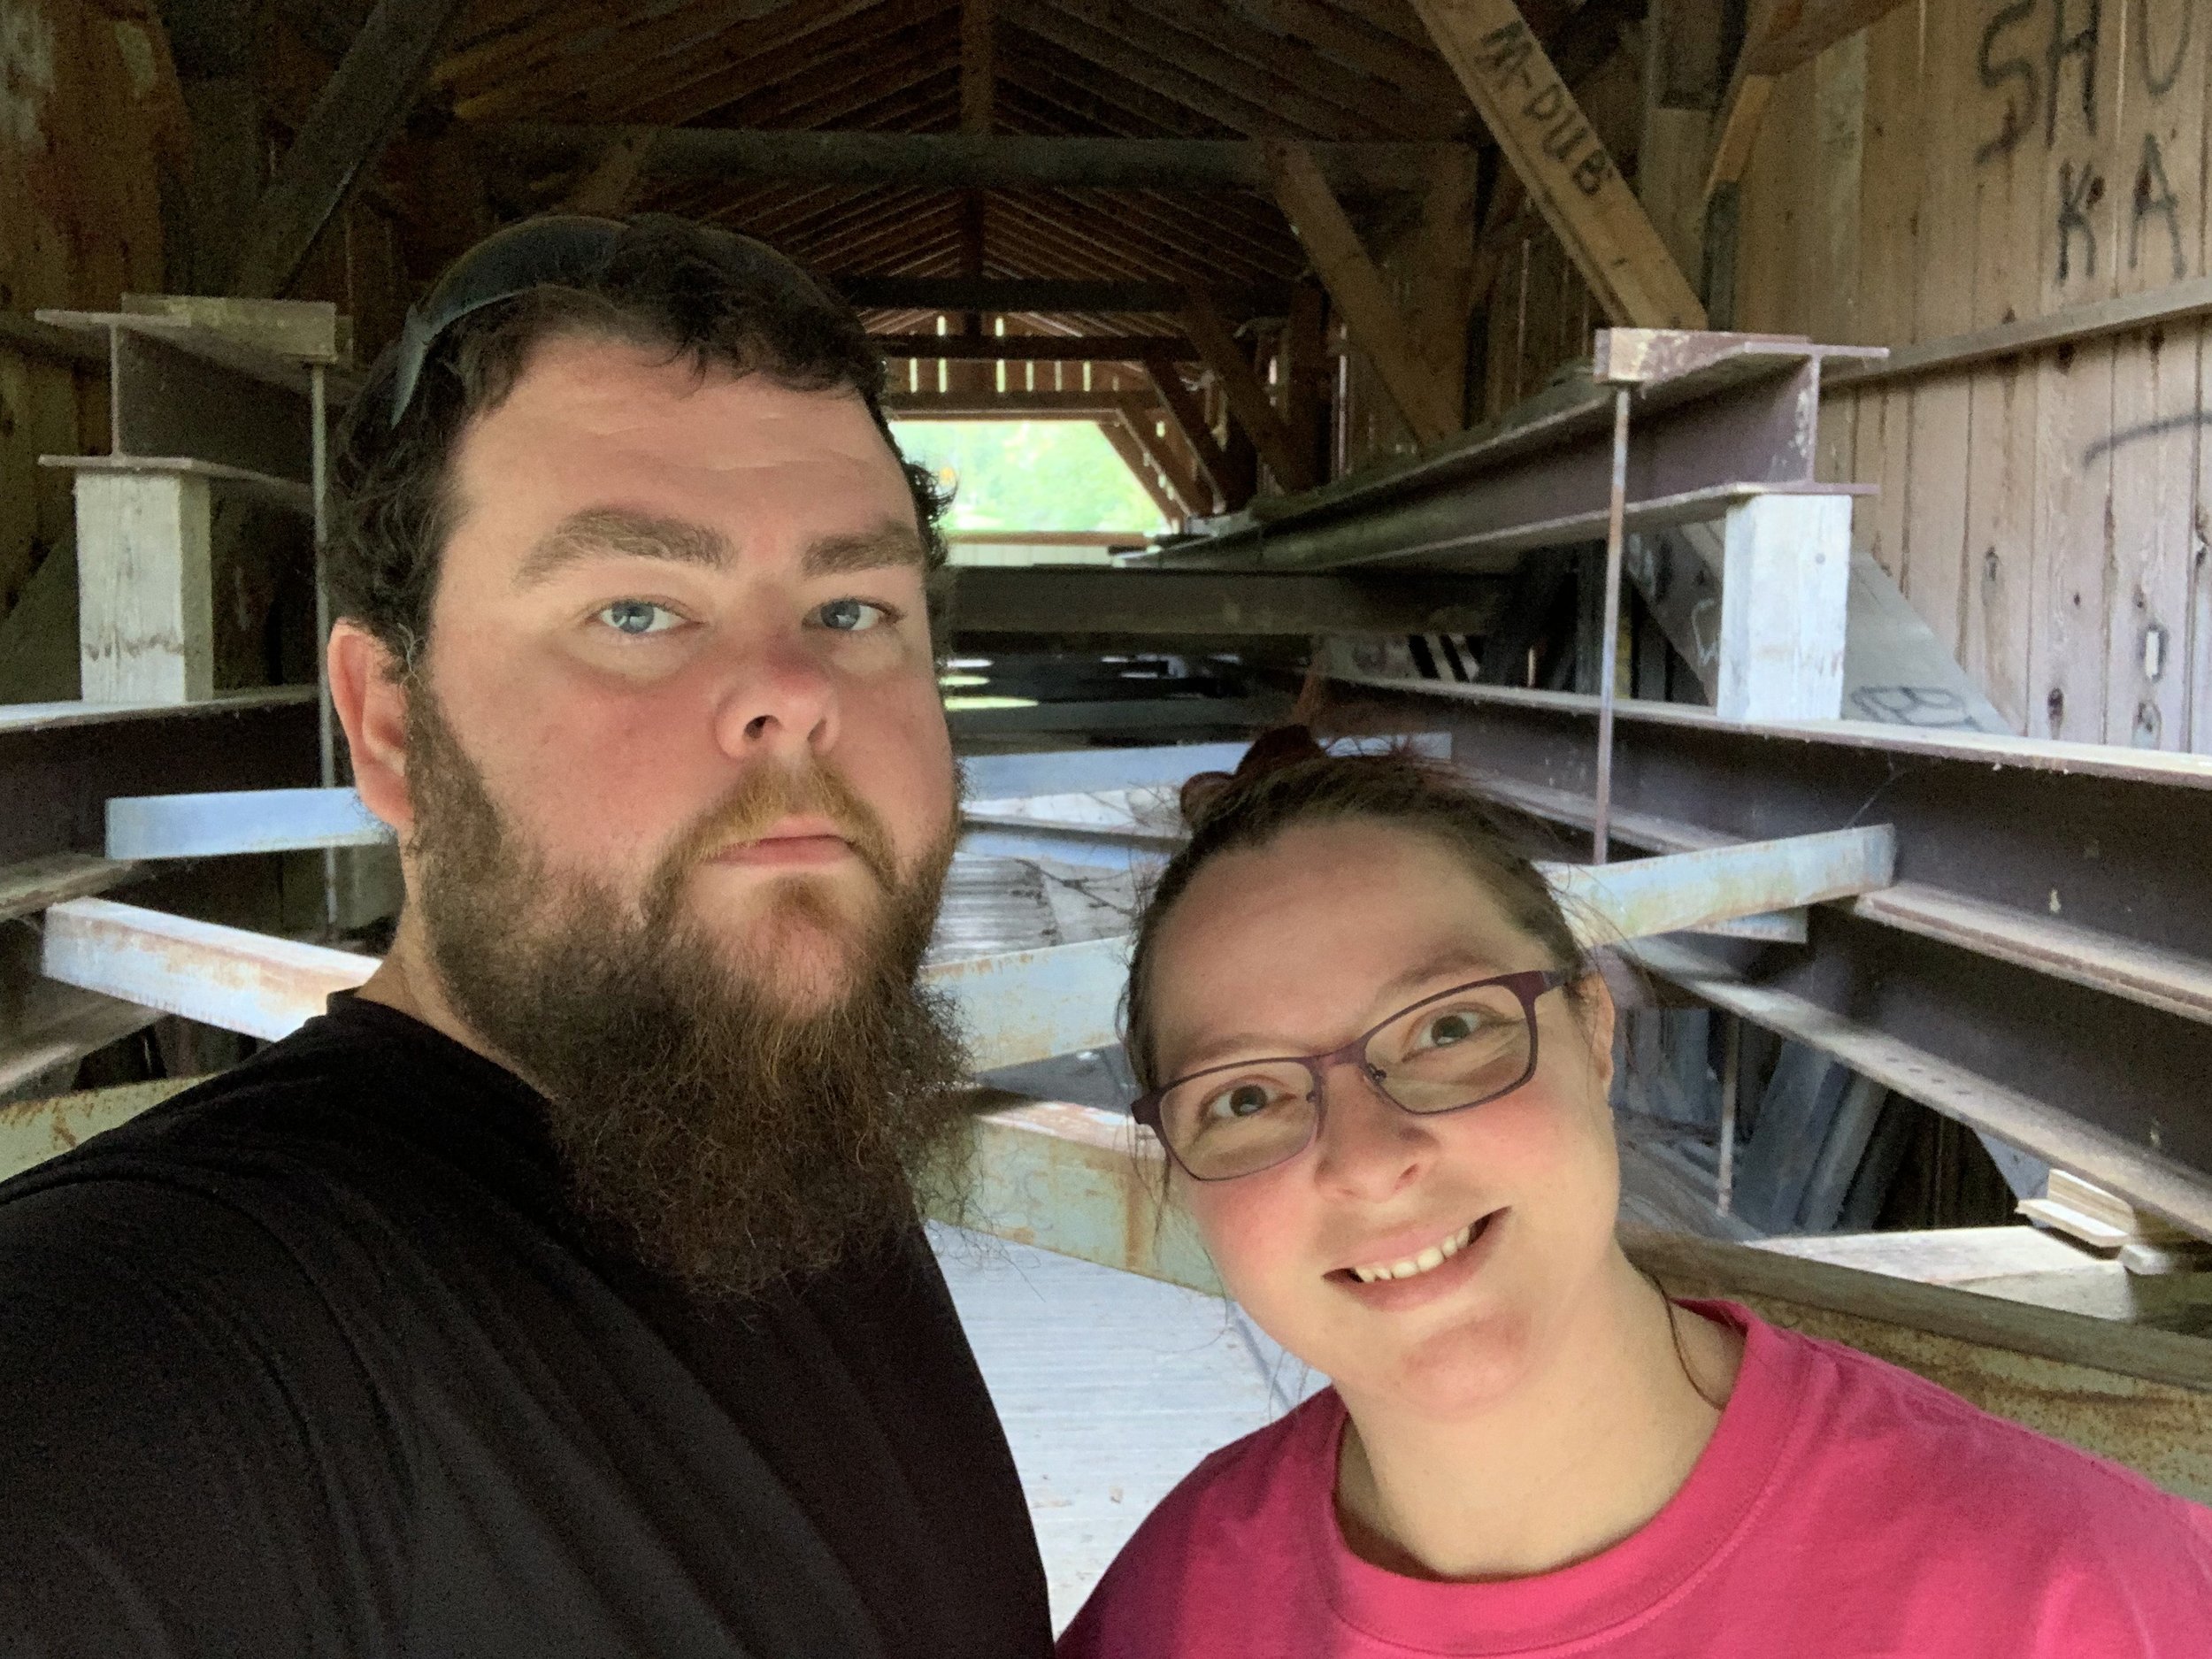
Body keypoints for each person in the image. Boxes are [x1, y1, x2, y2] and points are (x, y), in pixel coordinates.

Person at [0, 216, 1051, 1657]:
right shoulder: (164, 1346)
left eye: (853, 604)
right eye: (637, 608)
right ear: (389, 727)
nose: (795, 691)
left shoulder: (773, 1133)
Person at [1060, 727, 2212, 1657]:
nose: (1366, 1157)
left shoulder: (2078, 1599)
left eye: (1449, 1027)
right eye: (1245, 1097)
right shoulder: (1174, 1611)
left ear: (1595, 1030)